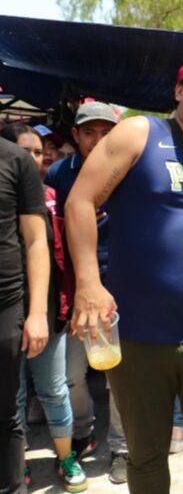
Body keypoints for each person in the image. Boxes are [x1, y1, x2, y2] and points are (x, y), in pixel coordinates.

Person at [65, 50, 183, 493]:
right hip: (140, 336)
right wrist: (88, 283)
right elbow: (80, 202)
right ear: (180, 91)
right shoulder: (140, 132)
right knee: (145, 457)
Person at [45, 100, 129, 484]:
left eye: (106, 133)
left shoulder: (132, 169)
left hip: (124, 286)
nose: (98, 141)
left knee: (119, 375)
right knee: (72, 375)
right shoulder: (60, 174)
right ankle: (83, 432)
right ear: (76, 136)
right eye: (89, 133)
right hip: (76, 289)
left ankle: (123, 449)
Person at [1, 123, 86, 492]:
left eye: (39, 152)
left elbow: (57, 257)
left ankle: (65, 457)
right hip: (14, 313)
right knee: (13, 397)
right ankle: (16, 466)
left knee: (53, 389)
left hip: (44, 311)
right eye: (28, 151)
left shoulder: (52, 197)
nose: (36, 158)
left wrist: (55, 310)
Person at [0, 133, 49, 493]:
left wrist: (37, 313)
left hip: (6, 306)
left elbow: (35, 241)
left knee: (4, 414)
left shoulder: (16, 160)